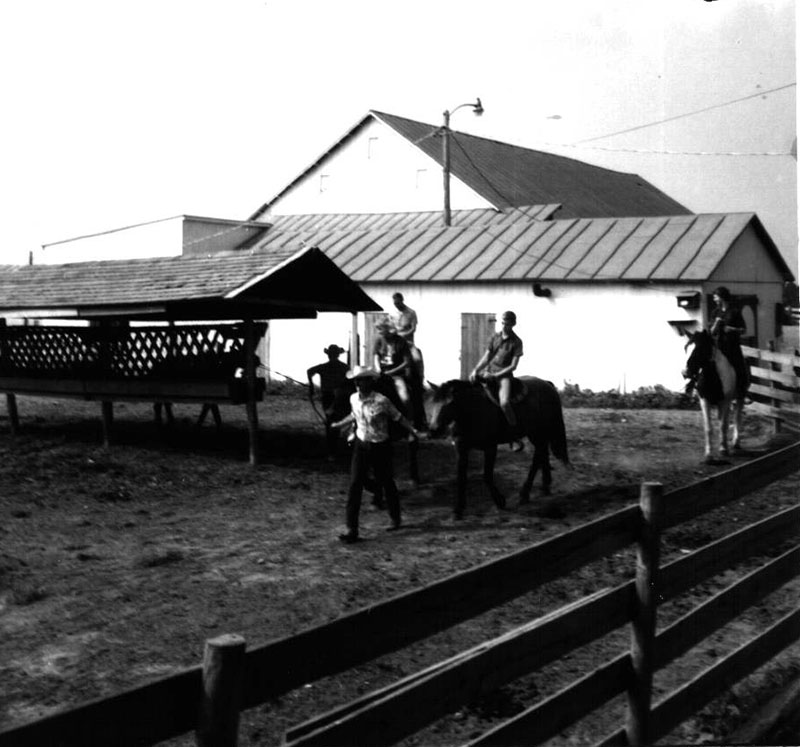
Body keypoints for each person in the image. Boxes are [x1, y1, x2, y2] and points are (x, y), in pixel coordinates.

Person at [331, 365, 421, 543]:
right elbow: (354, 415)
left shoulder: (382, 401)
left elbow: (398, 417)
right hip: (361, 443)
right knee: (355, 483)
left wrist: (413, 431)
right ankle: (352, 529)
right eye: (356, 380)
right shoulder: (353, 398)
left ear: (370, 382)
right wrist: (340, 424)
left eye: (362, 380)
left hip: (381, 446)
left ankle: (395, 517)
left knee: (387, 481)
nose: (357, 383)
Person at [469, 310, 524, 452]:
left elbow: (513, 366)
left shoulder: (517, 342)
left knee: (504, 402)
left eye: (508, 323)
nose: (505, 325)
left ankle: (515, 436)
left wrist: (497, 375)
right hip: (489, 372)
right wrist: (476, 370)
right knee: (471, 393)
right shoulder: (495, 337)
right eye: (503, 322)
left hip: (504, 376)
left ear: (513, 324)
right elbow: (487, 357)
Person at [307, 344, 351, 459]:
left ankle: (333, 450)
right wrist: (311, 386)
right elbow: (310, 371)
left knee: (333, 421)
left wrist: (311, 386)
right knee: (333, 421)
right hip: (332, 397)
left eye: (333, 354)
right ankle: (333, 451)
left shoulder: (342, 367)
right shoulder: (343, 367)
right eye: (332, 355)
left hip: (338, 397)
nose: (332, 356)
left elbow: (309, 371)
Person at [709, 287, 750, 396]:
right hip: (719, 347)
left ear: (722, 297)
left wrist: (732, 329)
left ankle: (743, 392)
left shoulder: (735, 312)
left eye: (716, 297)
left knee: (740, 369)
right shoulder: (715, 312)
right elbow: (711, 332)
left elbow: (744, 330)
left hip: (733, 347)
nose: (714, 300)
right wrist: (716, 324)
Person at [372, 319, 413, 412]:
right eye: (377, 329)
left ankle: (409, 420)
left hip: (396, 375)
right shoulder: (379, 340)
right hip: (381, 374)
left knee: (405, 399)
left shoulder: (400, 341)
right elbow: (376, 356)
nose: (378, 332)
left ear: (388, 328)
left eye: (380, 329)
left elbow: (407, 362)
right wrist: (378, 369)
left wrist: (391, 372)